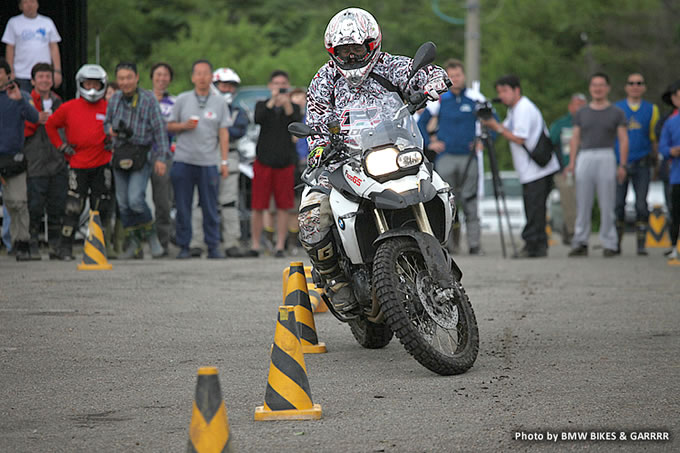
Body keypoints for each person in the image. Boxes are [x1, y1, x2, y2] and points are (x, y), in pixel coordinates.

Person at [300, 8, 449, 312]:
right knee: (312, 214)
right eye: (344, 51)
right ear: (333, 51)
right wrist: (318, 147)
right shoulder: (324, 78)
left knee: (440, 185)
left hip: (395, 150)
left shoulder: (390, 65)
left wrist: (434, 80)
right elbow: (314, 120)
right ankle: (334, 280)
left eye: (357, 49)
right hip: (343, 159)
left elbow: (421, 73)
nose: (351, 57)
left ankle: (436, 252)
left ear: (372, 44)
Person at [480, 75, 561, 258]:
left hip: (537, 170)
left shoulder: (524, 108)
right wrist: (493, 123)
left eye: (505, 91)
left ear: (517, 90)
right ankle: (538, 245)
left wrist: (495, 126)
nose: (502, 96)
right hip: (531, 170)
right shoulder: (515, 110)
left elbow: (518, 137)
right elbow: (506, 128)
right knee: (535, 208)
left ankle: (533, 245)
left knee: (534, 208)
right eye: (499, 92)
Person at [417, 59, 486, 255]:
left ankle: (474, 244)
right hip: (446, 157)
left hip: (468, 156)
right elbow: (421, 123)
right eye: (451, 76)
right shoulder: (439, 99)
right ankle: (448, 245)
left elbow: (491, 120)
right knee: (446, 201)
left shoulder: (474, 97)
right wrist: (430, 143)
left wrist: (482, 141)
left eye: (458, 75)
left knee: (470, 201)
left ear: (464, 76)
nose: (455, 79)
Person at [45, 64, 112, 261]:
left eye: (96, 84)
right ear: (80, 84)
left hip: (102, 163)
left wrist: (112, 142)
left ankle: (98, 246)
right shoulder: (68, 107)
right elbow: (50, 125)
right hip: (78, 164)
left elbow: (118, 130)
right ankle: (65, 248)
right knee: (73, 207)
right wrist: (61, 145)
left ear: (103, 86)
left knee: (101, 206)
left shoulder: (109, 108)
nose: (92, 88)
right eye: (87, 84)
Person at [104, 62, 170, 259]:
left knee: (136, 200)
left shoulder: (148, 99)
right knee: (123, 204)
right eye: (121, 78)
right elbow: (106, 122)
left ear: (137, 77)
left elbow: (160, 130)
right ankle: (134, 243)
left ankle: (152, 238)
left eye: (128, 77)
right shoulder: (114, 99)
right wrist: (109, 129)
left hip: (142, 154)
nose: (125, 82)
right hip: (120, 153)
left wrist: (161, 158)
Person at [167, 59, 230, 259]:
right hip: (183, 160)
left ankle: (213, 246)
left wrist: (224, 161)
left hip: (209, 162)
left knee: (210, 206)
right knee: (184, 206)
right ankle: (184, 246)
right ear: (193, 77)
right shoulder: (182, 99)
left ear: (212, 77)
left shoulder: (220, 102)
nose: (202, 77)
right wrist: (183, 126)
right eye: (198, 73)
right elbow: (169, 126)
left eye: (206, 73)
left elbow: (224, 133)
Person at [566, 72, 628, 257]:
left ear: (607, 88)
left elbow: (623, 139)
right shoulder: (582, 112)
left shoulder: (616, 112)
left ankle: (610, 241)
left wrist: (622, 164)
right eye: (594, 85)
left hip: (606, 154)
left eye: (601, 85)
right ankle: (580, 241)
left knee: (607, 202)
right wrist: (572, 162)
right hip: (585, 155)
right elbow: (575, 137)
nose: (598, 89)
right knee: (583, 202)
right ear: (590, 88)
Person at [189, 67, 249, 257]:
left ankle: (232, 242)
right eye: (224, 86)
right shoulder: (199, 107)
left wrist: (217, 128)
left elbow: (239, 130)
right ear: (215, 86)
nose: (228, 90)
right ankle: (197, 243)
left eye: (231, 87)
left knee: (229, 202)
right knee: (199, 202)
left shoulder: (239, 111)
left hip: (229, 158)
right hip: (204, 156)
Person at [250, 70, 301, 258]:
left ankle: (280, 245)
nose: (279, 86)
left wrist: (286, 102)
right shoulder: (262, 105)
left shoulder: (293, 107)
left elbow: (295, 122)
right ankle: (255, 245)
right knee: (258, 205)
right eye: (276, 83)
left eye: (283, 83)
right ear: (270, 86)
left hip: (285, 162)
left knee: (284, 206)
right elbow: (258, 119)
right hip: (263, 161)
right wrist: (273, 101)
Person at [23, 62, 66, 259]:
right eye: (40, 77)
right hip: (35, 162)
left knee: (57, 206)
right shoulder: (25, 102)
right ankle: (31, 244)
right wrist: (34, 118)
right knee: (34, 207)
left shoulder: (60, 103)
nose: (45, 80)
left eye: (48, 77)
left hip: (57, 162)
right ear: (32, 81)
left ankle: (55, 246)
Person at [614, 73, 660, 255]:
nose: (635, 86)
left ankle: (641, 245)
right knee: (618, 204)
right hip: (620, 163)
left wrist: (656, 163)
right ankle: (616, 243)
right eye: (631, 83)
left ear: (644, 87)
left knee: (641, 204)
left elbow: (653, 138)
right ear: (626, 87)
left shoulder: (651, 109)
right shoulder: (617, 108)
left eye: (639, 83)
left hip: (642, 162)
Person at [0, 58, 39, 261]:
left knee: (18, 202)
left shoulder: (20, 96)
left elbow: (35, 118)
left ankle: (21, 242)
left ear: (8, 75)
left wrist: (20, 100)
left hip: (12, 159)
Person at [549, 93, 587, 245]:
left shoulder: (590, 123)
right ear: (570, 106)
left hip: (584, 168)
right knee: (568, 202)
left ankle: (573, 230)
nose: (579, 108)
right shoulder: (561, 124)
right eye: (576, 104)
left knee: (582, 202)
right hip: (564, 170)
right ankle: (572, 233)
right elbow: (550, 143)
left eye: (582, 104)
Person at [2, 0, 62, 92]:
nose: (29, 5)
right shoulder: (13, 23)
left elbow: (54, 47)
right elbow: (10, 48)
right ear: (20, 6)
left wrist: (57, 71)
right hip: (21, 74)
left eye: (32, 1)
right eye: (25, 2)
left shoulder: (47, 22)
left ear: (37, 4)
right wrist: (10, 72)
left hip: (43, 74)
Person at [149, 62, 176, 255]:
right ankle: (137, 240)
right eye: (158, 75)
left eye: (165, 75)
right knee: (137, 200)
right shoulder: (143, 99)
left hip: (164, 155)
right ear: (151, 77)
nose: (161, 78)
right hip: (141, 154)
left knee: (163, 201)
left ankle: (163, 242)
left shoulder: (174, 102)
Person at [658, 80, 680, 263]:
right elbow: (663, 148)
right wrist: (672, 151)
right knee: (675, 212)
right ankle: (674, 246)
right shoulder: (670, 123)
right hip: (676, 175)